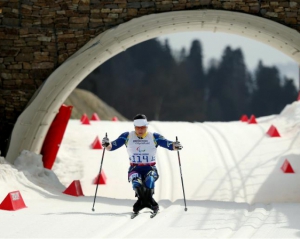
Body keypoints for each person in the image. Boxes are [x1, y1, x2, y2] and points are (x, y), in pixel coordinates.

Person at [102, 113, 183, 214]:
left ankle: (147, 202)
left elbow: (169, 145)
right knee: (136, 183)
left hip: (150, 168)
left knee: (149, 180)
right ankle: (144, 202)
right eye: (138, 128)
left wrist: (176, 145)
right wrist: (106, 144)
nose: (140, 130)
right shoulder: (127, 136)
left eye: (143, 128)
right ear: (134, 127)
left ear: (146, 127)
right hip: (134, 168)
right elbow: (112, 147)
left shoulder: (154, 137)